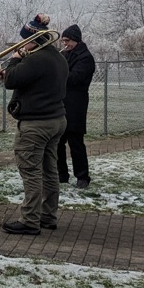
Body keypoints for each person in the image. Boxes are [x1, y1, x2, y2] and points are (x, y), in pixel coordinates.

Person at [0, 14, 68, 235]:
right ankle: (48, 216)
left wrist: (15, 58)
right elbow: (29, 81)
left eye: (23, 40)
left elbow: (11, 80)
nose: (20, 44)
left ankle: (30, 220)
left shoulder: (35, 59)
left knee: (30, 171)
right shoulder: (58, 57)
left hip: (36, 124)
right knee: (50, 170)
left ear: (33, 39)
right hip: (56, 120)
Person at [59, 24, 95, 189]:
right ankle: (61, 175)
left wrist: (57, 72)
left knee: (76, 143)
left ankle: (82, 176)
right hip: (62, 103)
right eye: (63, 41)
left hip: (76, 105)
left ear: (75, 40)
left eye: (67, 41)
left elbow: (74, 79)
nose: (65, 44)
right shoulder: (66, 55)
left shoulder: (85, 58)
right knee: (58, 142)